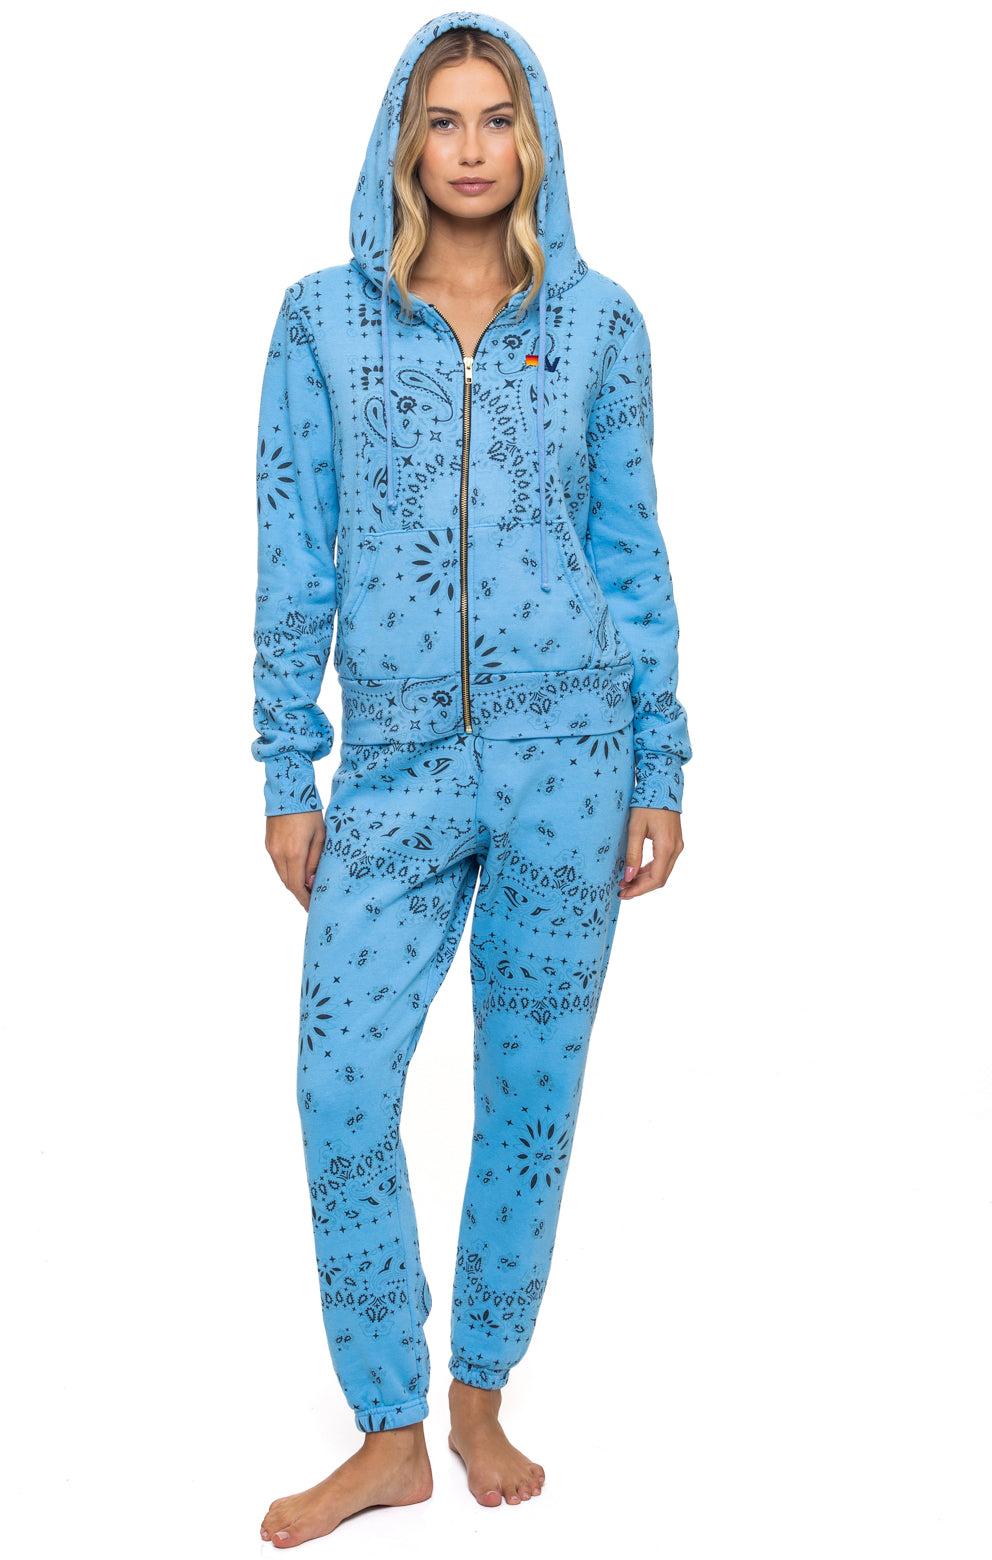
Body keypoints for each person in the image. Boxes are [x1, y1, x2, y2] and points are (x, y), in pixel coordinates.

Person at [252, 11, 692, 1547]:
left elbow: (629, 548)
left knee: (531, 1096)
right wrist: (286, 761)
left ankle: (480, 1396)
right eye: (442, 120)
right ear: (404, 141)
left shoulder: (599, 325)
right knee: (339, 1086)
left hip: (574, 758)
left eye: (497, 118)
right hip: (392, 766)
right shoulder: (322, 323)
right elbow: (293, 548)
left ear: (534, 139)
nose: (471, 148)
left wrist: (659, 759)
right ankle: (387, 1428)